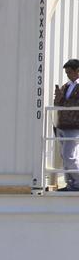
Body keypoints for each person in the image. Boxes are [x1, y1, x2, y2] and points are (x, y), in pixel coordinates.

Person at [54, 59, 79, 190]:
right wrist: (58, 98)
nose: (68, 75)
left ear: (77, 71)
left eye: (69, 72)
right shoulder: (66, 86)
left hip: (74, 127)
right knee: (65, 157)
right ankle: (71, 185)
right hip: (63, 125)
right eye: (66, 72)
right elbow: (57, 104)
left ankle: (78, 183)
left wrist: (64, 102)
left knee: (69, 156)